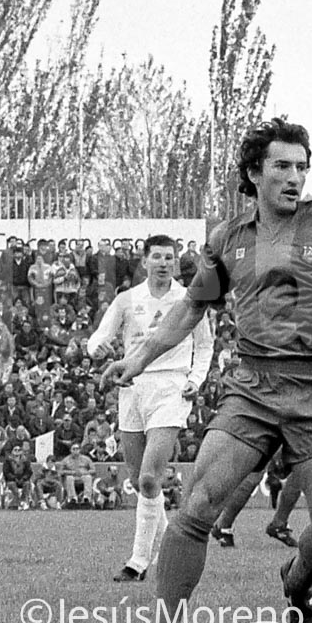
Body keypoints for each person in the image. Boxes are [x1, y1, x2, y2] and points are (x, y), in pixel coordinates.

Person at [105, 118, 312, 623]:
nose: (294, 177)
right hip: (253, 388)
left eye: (301, 167)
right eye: (282, 166)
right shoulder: (228, 239)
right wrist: (138, 358)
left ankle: (298, 582)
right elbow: (192, 307)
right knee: (196, 507)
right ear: (255, 173)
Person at [88, 234, 213, 581]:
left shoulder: (188, 299)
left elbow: (205, 346)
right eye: (156, 257)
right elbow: (99, 336)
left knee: (148, 477)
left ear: (176, 263)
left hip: (171, 388)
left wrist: (195, 379)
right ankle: (172, 546)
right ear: (144, 261)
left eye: (169, 257)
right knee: (140, 481)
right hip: (132, 386)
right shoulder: (128, 299)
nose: (163, 263)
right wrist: (96, 349)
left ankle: (138, 562)